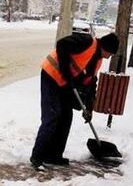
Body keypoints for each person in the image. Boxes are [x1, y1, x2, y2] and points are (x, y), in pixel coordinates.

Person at [30, 32, 119, 169]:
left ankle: (54, 156)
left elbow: (90, 83)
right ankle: (37, 157)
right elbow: (62, 44)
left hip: (65, 84)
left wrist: (89, 107)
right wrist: (66, 73)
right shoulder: (86, 41)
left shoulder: (98, 60)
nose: (109, 57)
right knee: (52, 116)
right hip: (51, 75)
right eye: (110, 53)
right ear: (105, 47)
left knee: (66, 117)